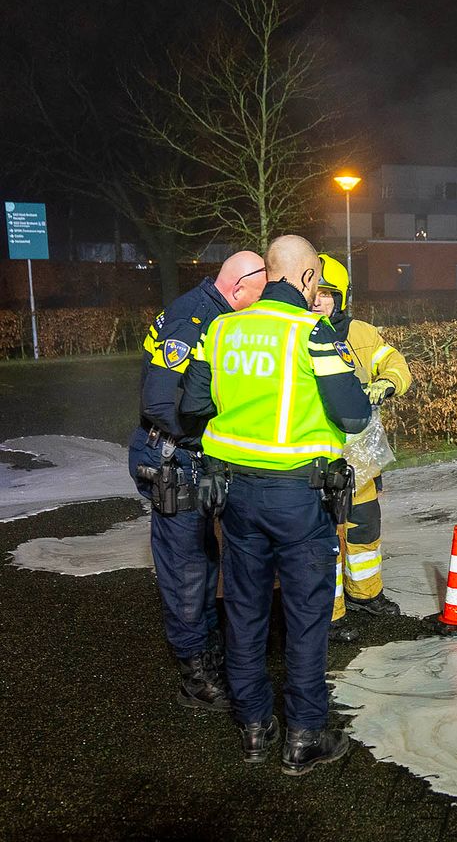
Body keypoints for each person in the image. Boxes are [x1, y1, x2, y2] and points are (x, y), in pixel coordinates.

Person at [179, 235, 371, 774]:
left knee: (243, 611)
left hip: (235, 497)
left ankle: (255, 728)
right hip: (300, 498)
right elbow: (354, 416)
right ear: (307, 278)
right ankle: (304, 736)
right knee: (306, 619)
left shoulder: (221, 330)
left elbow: (194, 408)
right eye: (318, 282)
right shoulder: (314, 334)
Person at [129, 250, 267, 712]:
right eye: (259, 297)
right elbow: (160, 401)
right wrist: (209, 433)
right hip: (174, 458)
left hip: (190, 458)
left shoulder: (214, 313)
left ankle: (207, 651)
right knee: (187, 569)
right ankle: (194, 674)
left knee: (205, 561)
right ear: (239, 288)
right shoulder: (195, 319)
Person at [313, 254, 412, 633]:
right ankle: (330, 615)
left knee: (364, 529)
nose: (319, 300)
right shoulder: (296, 333)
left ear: (341, 297)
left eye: (327, 293)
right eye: (315, 292)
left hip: (360, 461)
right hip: (318, 459)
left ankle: (366, 595)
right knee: (327, 539)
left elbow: (396, 364)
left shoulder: (362, 335)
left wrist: (388, 382)